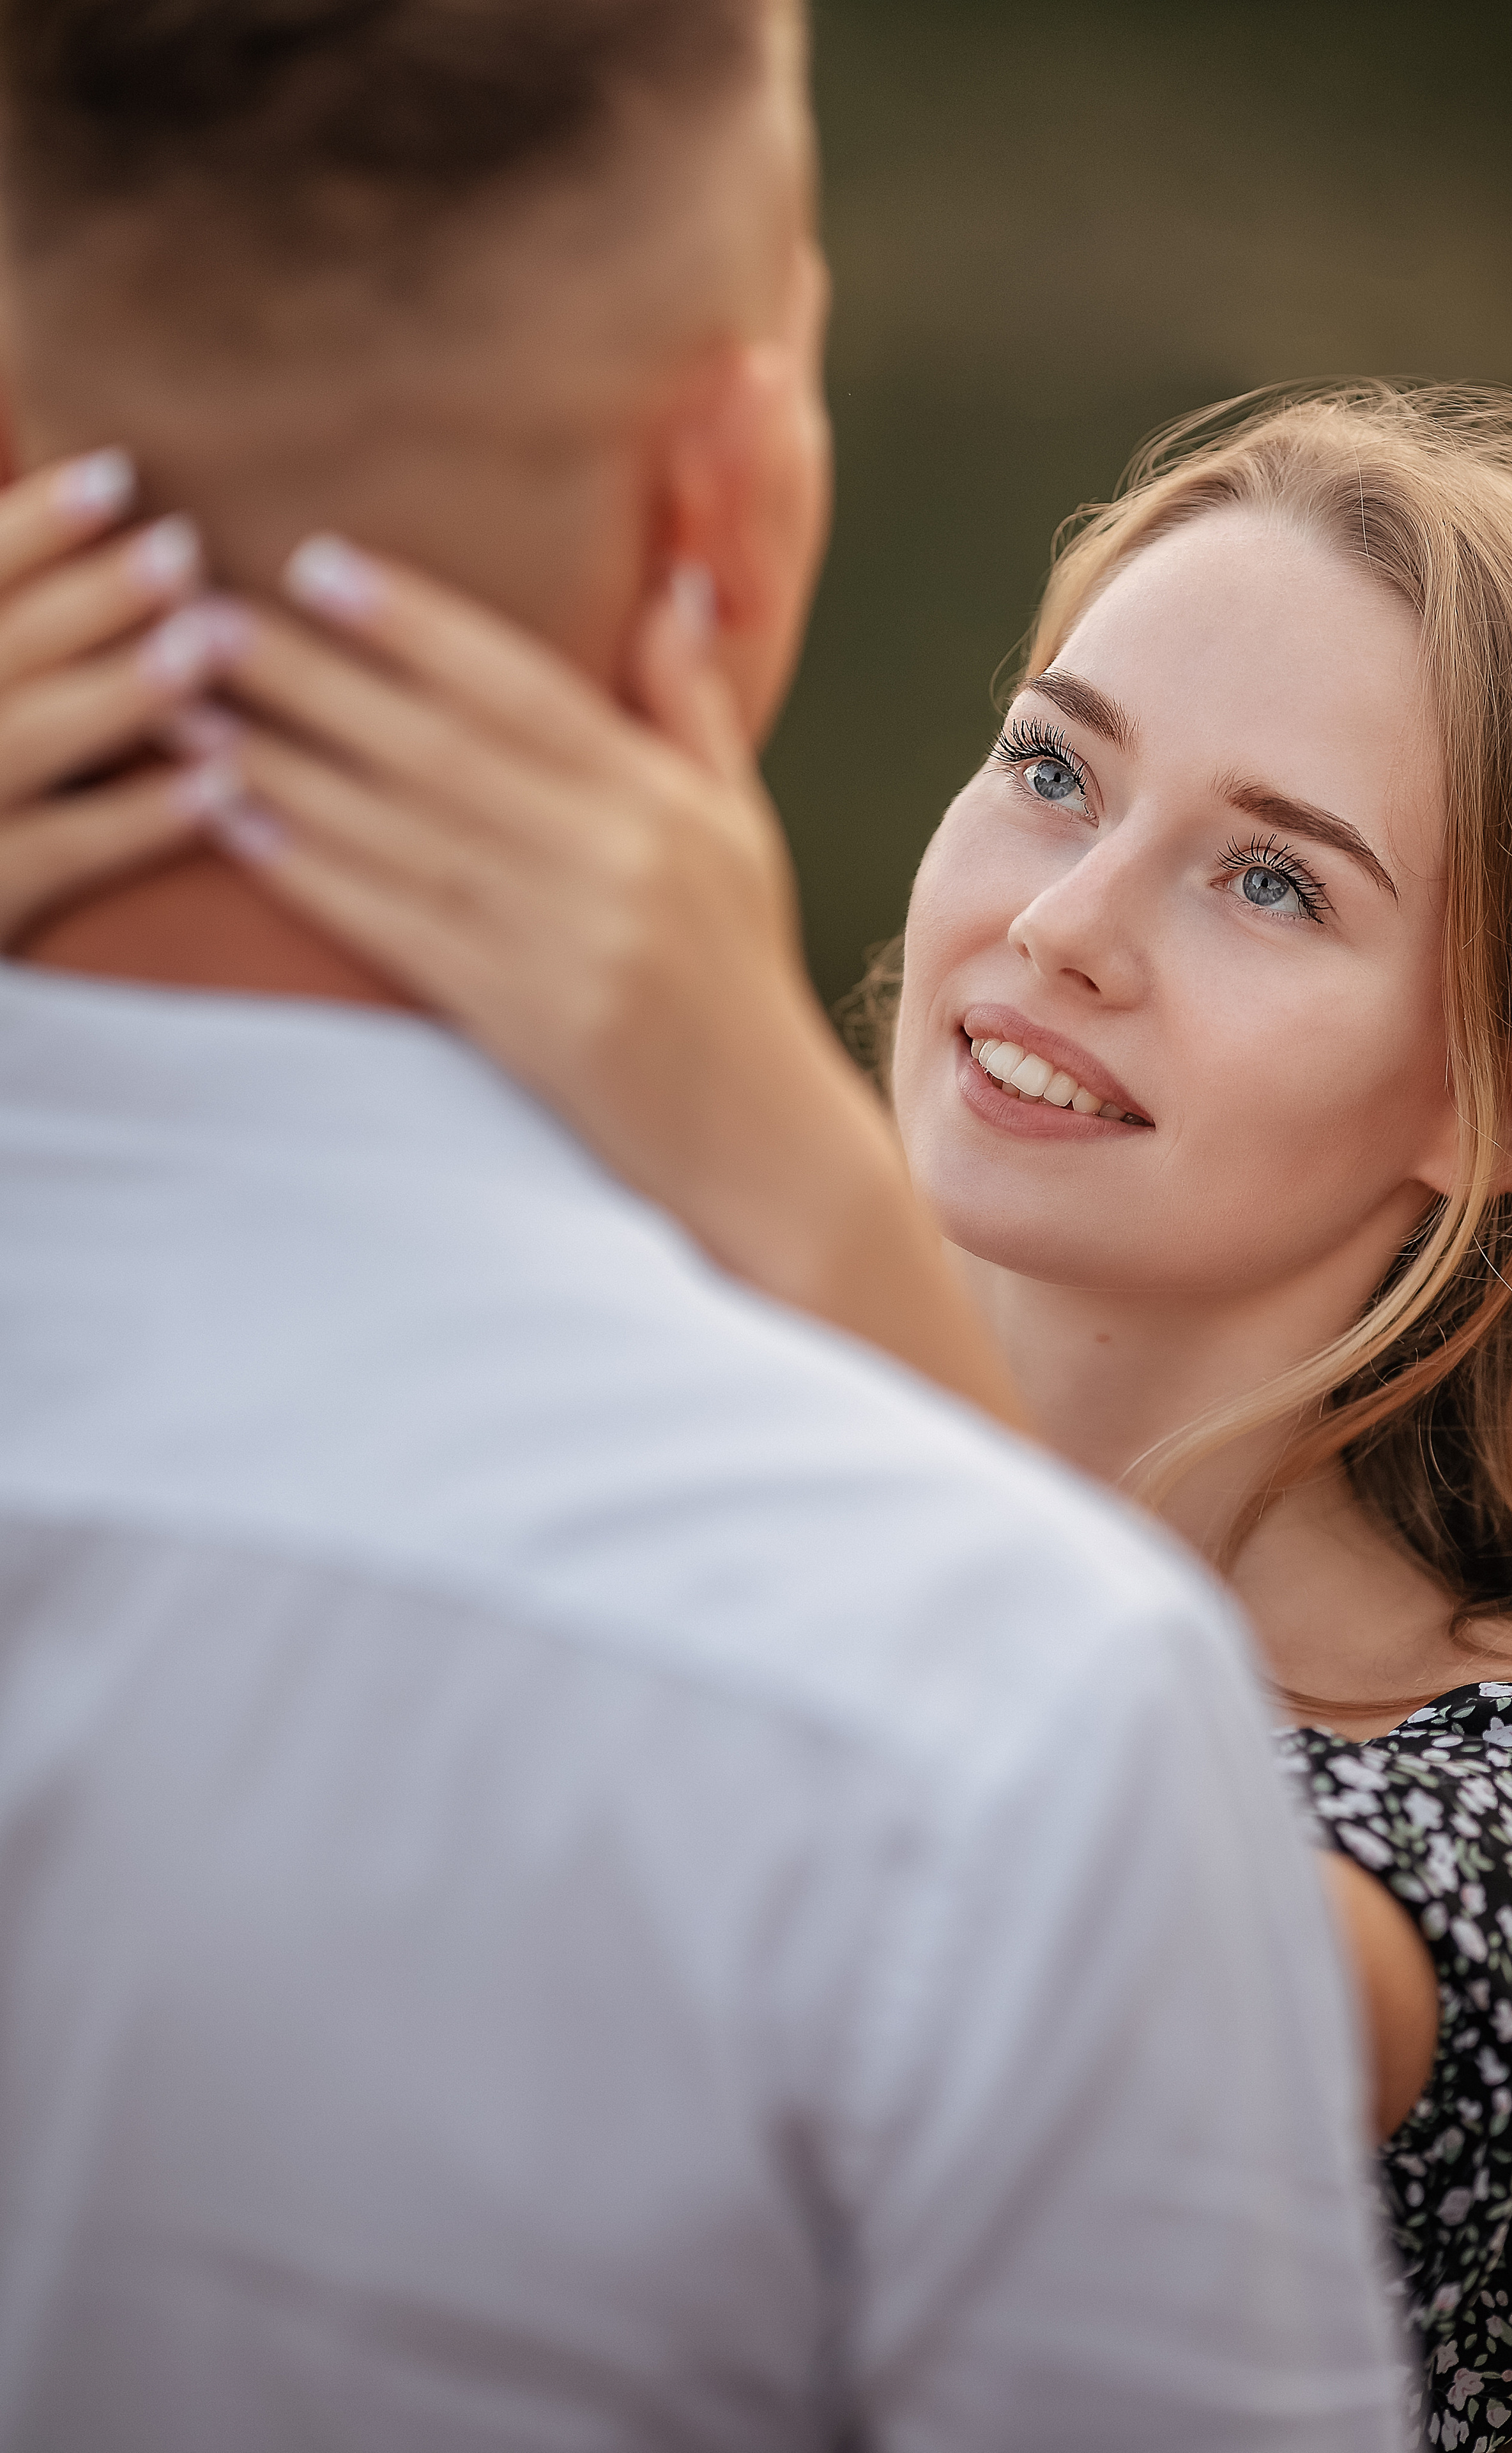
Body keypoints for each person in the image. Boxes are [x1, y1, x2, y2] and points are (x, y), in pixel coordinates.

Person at [0, 6, 1409, 2450]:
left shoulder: (1427, 1757)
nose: (1064, 926)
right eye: (1048, 766)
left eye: (1276, 879)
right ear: (734, 510)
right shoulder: (1004, 1717)